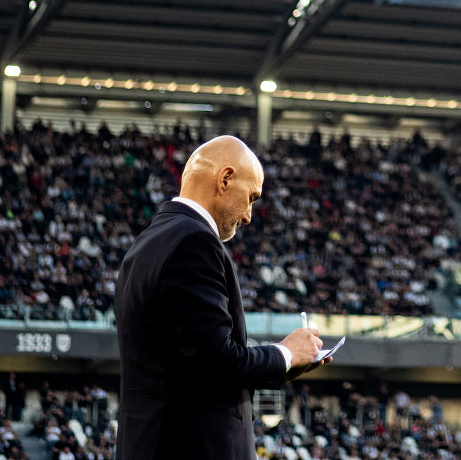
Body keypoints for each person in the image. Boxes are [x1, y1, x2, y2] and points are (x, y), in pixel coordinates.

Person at [114, 134, 326, 460]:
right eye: (252, 197)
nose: (249, 216)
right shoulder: (194, 242)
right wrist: (285, 353)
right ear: (225, 179)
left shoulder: (149, 242)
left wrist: (283, 367)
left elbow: (191, 369)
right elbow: (219, 362)